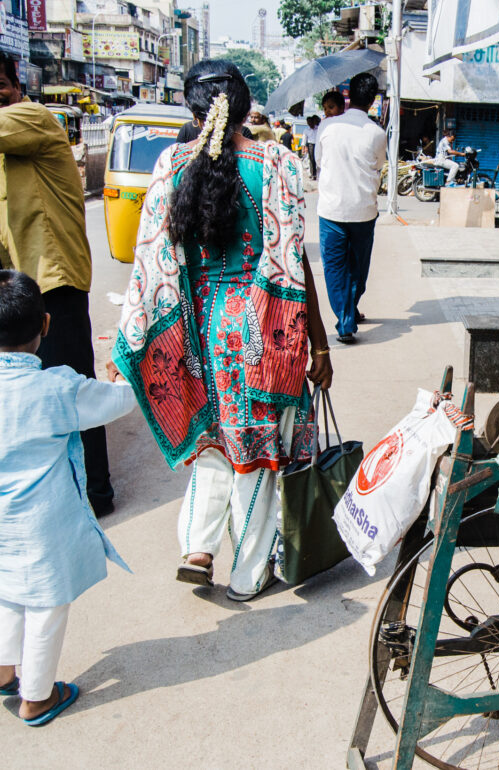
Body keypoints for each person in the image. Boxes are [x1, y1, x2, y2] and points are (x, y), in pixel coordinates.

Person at [113, 60, 333, 602]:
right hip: (259, 326)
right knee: (256, 449)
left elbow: (154, 260)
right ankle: (248, 573)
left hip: (197, 325)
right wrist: (317, 341)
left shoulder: (170, 164)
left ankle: (197, 547)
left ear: (192, 107)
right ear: (245, 106)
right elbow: (290, 262)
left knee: (211, 439)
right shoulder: (275, 162)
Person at [0, 270, 134, 726]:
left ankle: (2, 670)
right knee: (45, 605)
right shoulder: (57, 387)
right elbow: (118, 403)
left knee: (6, 593)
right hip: (43, 526)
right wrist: (122, 376)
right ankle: (36, 696)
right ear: (45, 325)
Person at [0, 53, 115, 516]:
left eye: (1, 85)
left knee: (71, 388)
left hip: (55, 279)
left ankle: (96, 492)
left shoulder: (31, 117)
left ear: (16, 85)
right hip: (18, 285)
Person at [315, 73, 386, 345]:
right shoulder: (377, 133)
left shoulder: (328, 127)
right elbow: (379, 165)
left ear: (348, 96)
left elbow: (319, 160)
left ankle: (346, 318)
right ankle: (349, 312)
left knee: (334, 268)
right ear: (372, 100)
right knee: (357, 267)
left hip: (331, 210)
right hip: (363, 211)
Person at [302, 114, 320, 179]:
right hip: (311, 145)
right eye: (308, 122)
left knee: (318, 159)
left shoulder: (318, 128)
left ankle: (318, 173)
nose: (309, 123)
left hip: (318, 145)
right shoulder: (306, 130)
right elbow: (304, 139)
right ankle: (313, 174)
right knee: (312, 160)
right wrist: (303, 148)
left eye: (310, 122)